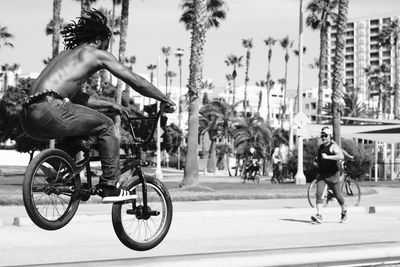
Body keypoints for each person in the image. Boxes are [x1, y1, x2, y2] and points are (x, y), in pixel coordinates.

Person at [19, 9, 175, 203]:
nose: (107, 49)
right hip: (51, 108)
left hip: (29, 116)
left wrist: (109, 105)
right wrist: (164, 99)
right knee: (107, 126)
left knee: (82, 132)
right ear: (100, 39)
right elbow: (136, 81)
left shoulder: (67, 56)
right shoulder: (95, 53)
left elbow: (79, 99)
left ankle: (56, 166)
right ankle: (110, 186)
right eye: (107, 44)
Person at [311, 127, 347, 224]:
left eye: (326, 136)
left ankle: (344, 211)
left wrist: (328, 157)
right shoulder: (321, 147)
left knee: (338, 195)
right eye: (322, 136)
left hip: (333, 175)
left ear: (330, 136)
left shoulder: (333, 146)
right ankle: (319, 215)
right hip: (322, 175)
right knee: (319, 193)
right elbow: (320, 158)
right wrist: (316, 162)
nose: (323, 138)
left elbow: (341, 156)